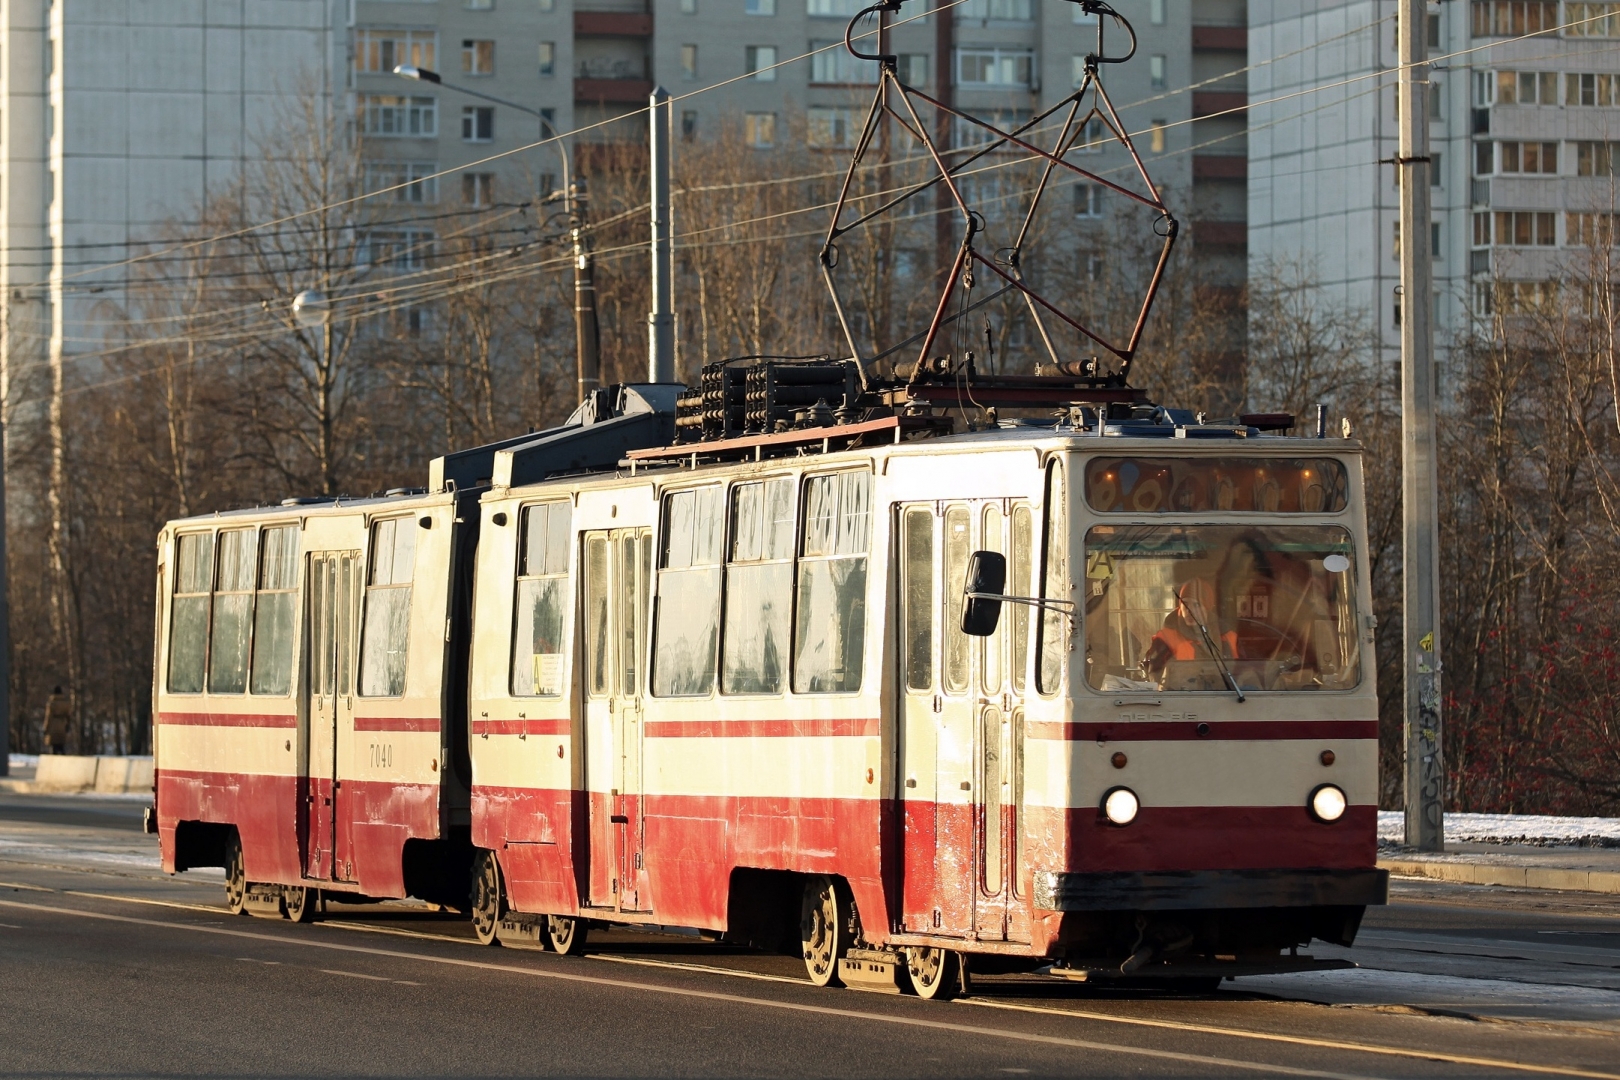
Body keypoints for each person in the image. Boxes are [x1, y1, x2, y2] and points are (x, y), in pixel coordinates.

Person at [1140, 579, 1236, 681]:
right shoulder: (1165, 639)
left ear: (1207, 607)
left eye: (1197, 605)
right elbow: (1155, 677)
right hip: (1182, 695)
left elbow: (1242, 673)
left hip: (1224, 694)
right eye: (1185, 604)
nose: (1189, 610)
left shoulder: (1227, 637)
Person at [42, 686, 72, 755]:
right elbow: (69, 715)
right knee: (61, 744)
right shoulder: (66, 703)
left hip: (53, 725)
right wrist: (68, 725)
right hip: (62, 724)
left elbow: (48, 717)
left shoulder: (51, 703)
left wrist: (45, 728)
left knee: (54, 745)